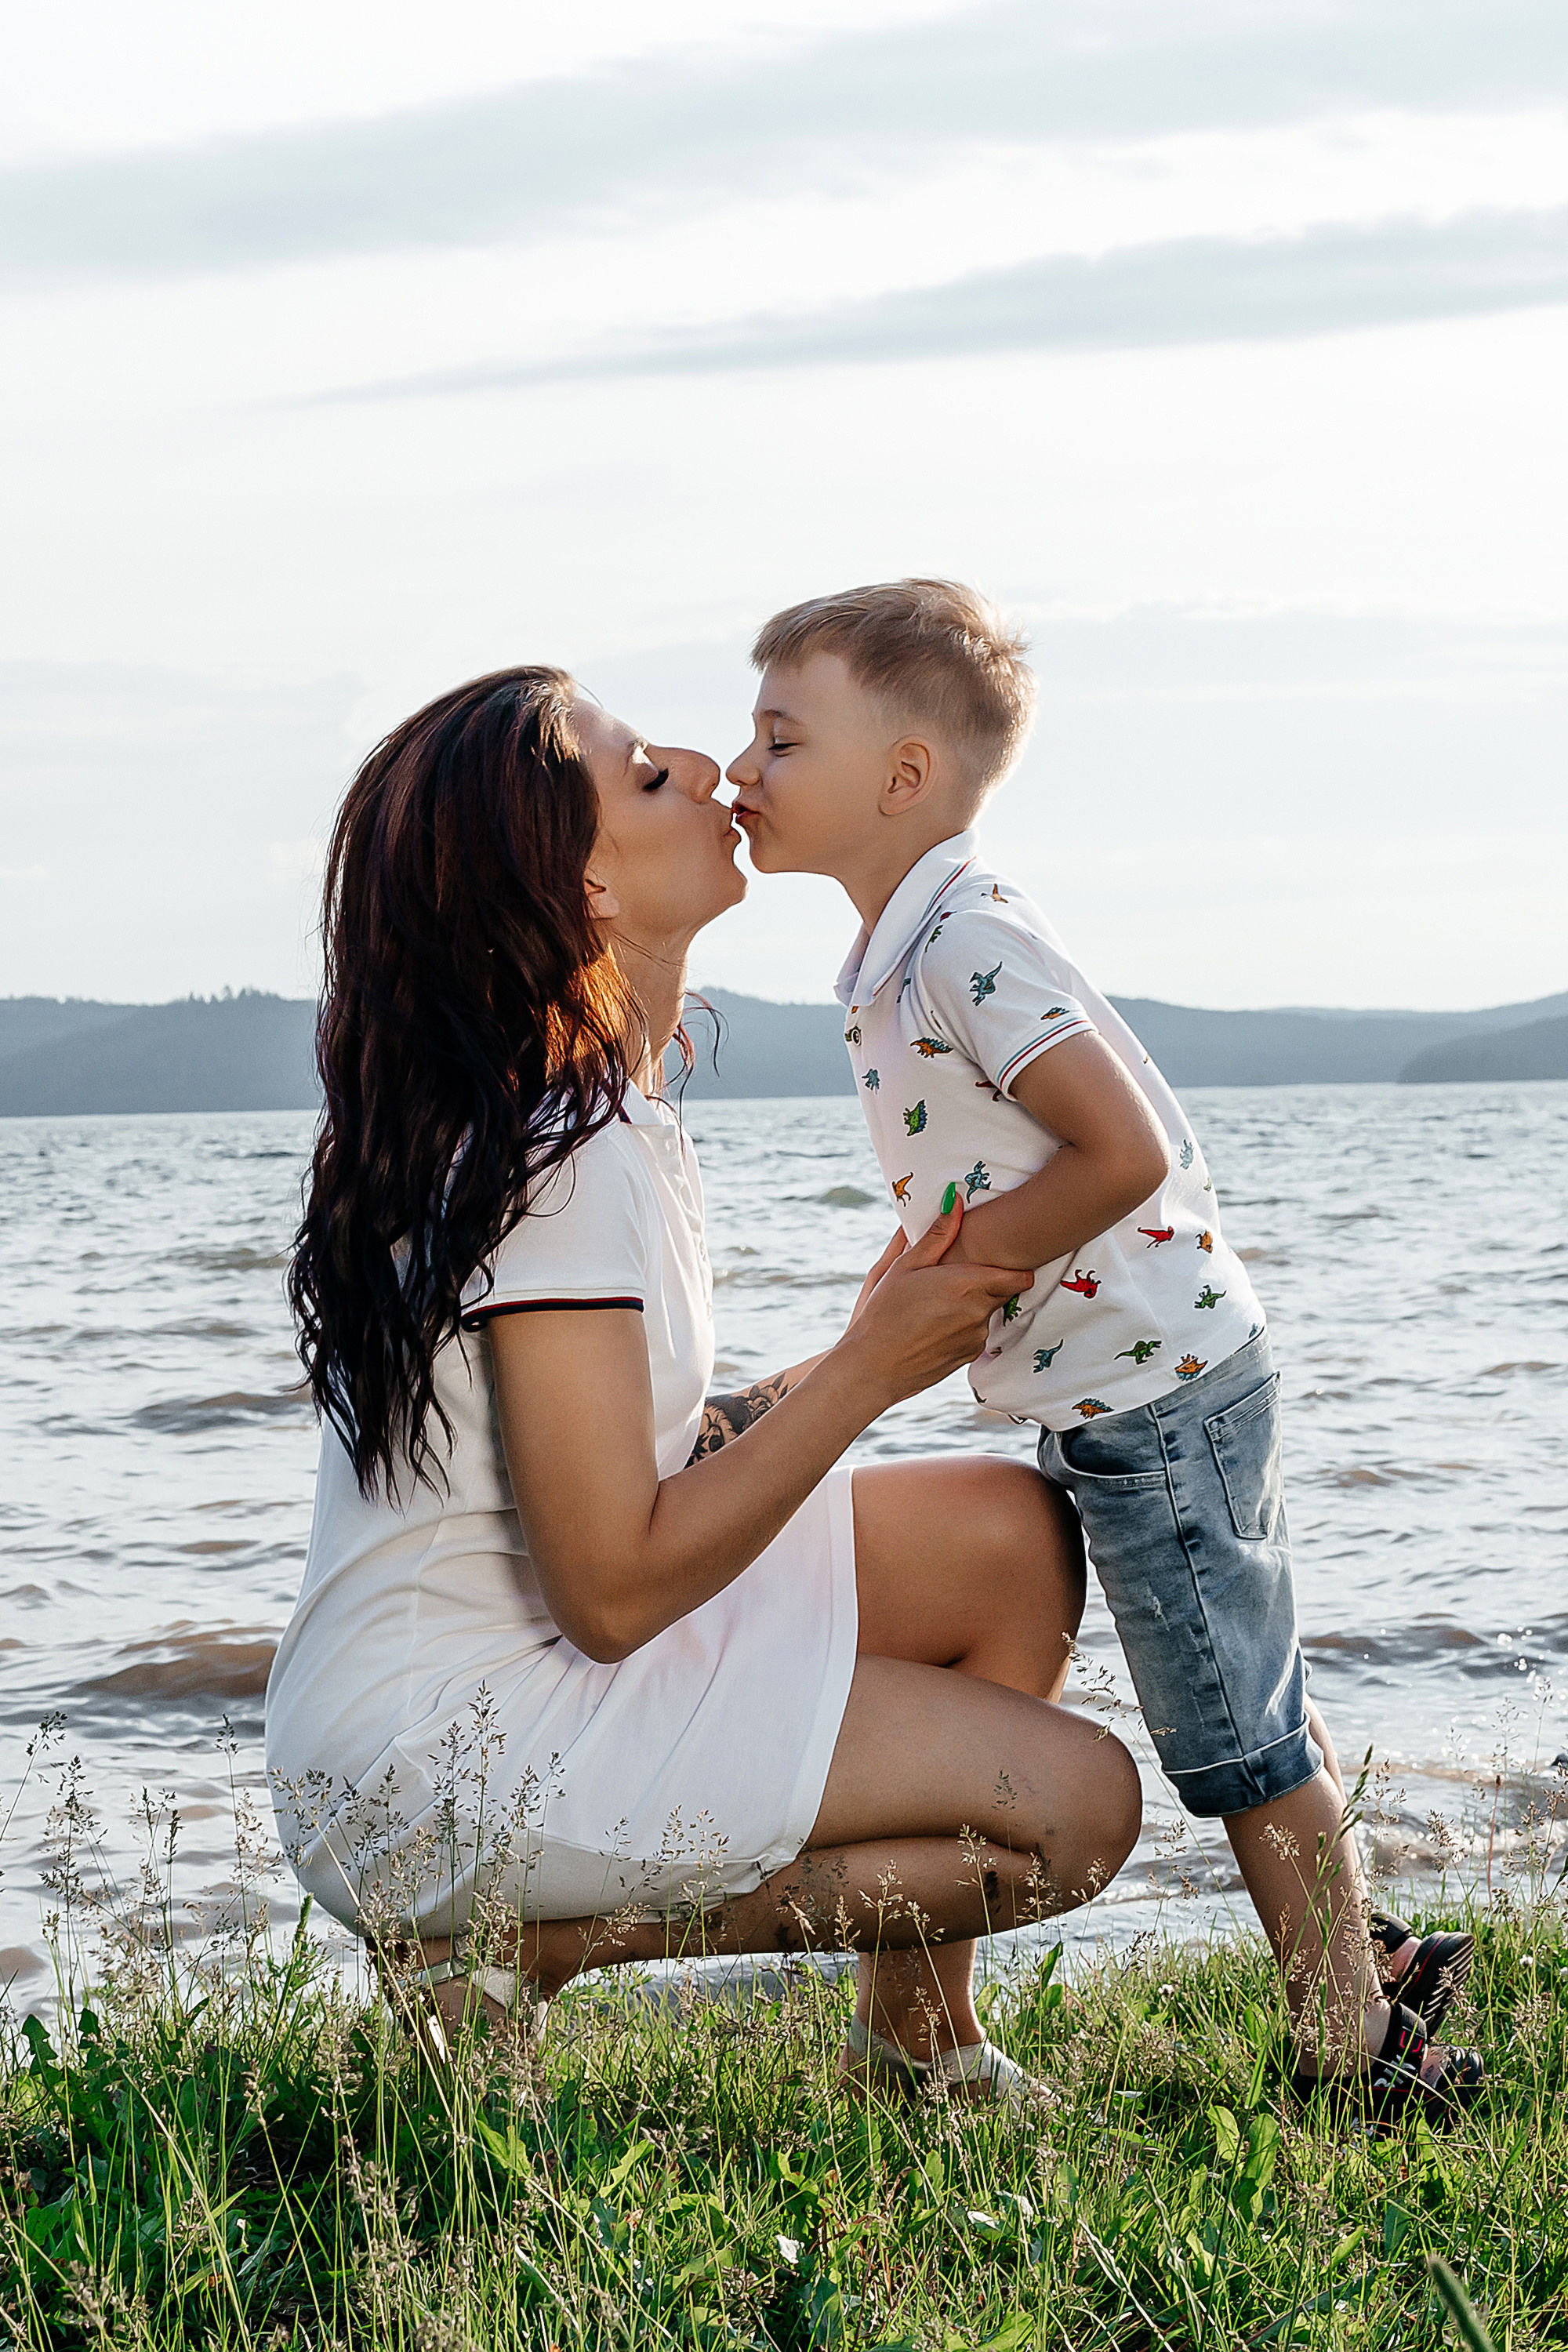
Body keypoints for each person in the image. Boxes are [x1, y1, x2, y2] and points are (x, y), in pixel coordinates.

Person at [267, 663, 1142, 2101]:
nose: (702, 760)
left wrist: (852, 1350)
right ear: (587, 891)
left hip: (502, 1671)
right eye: (648, 776)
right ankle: (530, 1946)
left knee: (1011, 1544)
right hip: (440, 1756)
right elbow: (612, 1590)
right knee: (1075, 1814)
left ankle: (916, 2046)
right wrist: (864, 1377)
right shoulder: (565, 1159)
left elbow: (630, 1461)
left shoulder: (590, 1117)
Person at [725, 580, 1482, 2124]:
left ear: (903, 776)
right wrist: (813, 1381)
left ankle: (1356, 2047)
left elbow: (1119, 1148)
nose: (740, 767)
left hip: (1157, 1389)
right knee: (1245, 1681)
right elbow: (963, 1214)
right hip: (1139, 1377)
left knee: (1228, 1731)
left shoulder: (962, 941)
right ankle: (1371, 1953)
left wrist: (964, 1276)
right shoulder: (898, 954)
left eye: (778, 737)